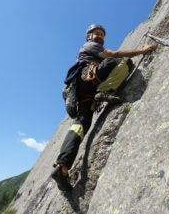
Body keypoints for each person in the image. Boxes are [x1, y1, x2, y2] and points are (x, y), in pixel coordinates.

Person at [51, 24, 156, 191]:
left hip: (83, 93)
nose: (100, 36)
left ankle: (62, 166)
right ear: (89, 37)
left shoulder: (88, 48)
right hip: (90, 78)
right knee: (124, 62)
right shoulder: (90, 46)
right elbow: (112, 54)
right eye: (96, 34)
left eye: (102, 35)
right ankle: (104, 90)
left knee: (81, 125)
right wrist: (142, 50)